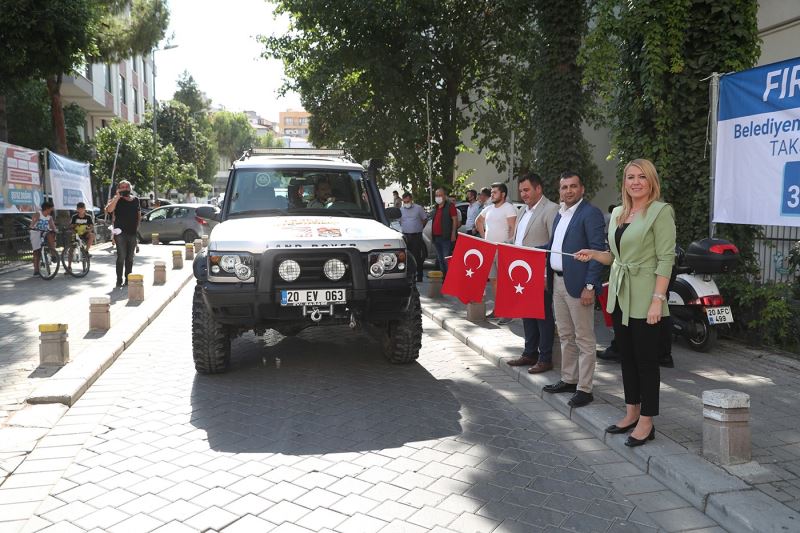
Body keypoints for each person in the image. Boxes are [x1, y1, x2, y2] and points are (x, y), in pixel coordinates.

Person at [575, 159, 676, 445]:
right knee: (627, 358)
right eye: (630, 177)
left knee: (646, 361)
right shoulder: (619, 212)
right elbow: (617, 257)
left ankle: (647, 421)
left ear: (651, 181)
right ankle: (632, 412)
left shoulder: (660, 212)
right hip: (620, 294)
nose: (635, 182)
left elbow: (666, 259)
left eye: (641, 177)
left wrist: (658, 300)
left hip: (646, 296)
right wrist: (595, 254)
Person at [543, 171, 606, 408]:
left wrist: (590, 286)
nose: (568, 191)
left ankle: (585, 388)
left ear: (582, 189)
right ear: (559, 190)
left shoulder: (590, 214)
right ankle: (569, 379)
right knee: (566, 335)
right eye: (564, 187)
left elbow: (597, 251)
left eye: (573, 186)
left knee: (584, 339)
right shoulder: (560, 214)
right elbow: (554, 247)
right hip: (558, 282)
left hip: (579, 286)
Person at [505, 173, 559, 369]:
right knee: (527, 313)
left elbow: (555, 243)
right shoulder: (522, 211)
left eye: (526, 190)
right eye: (521, 191)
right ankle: (529, 353)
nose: (523, 194)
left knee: (542, 315)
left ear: (539, 189)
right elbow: (517, 240)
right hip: (522, 272)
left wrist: (546, 274)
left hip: (540, 272)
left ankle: (545, 358)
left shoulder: (551, 209)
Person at [475, 182, 518, 321]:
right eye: (491, 192)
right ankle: (498, 309)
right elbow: (478, 222)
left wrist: (508, 245)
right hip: (490, 249)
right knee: (494, 281)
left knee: (505, 281)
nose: (492, 194)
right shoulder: (488, 208)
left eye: (495, 192)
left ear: (503, 194)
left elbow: (513, 228)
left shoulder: (509, 208)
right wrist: (484, 237)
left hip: (503, 250)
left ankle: (509, 312)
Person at [105, 180, 141, 288]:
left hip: (132, 232)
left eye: (126, 187)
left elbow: (138, 215)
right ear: (119, 188)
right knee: (121, 256)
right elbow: (109, 210)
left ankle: (128, 279)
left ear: (130, 189)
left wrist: (137, 230)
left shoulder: (136, 200)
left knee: (130, 258)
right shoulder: (116, 199)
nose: (124, 188)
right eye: (122, 187)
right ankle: (119, 280)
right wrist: (117, 196)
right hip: (120, 233)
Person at [399, 192, 427, 282]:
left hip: (416, 235)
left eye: (407, 201)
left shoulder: (418, 208)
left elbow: (424, 219)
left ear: (411, 199)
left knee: (417, 256)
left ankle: (419, 276)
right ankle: (410, 276)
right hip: (406, 236)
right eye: (405, 202)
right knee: (407, 257)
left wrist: (418, 228)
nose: (406, 203)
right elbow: (400, 221)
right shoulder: (401, 209)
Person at [430, 187, 459, 276]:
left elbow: (455, 220)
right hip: (436, 237)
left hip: (446, 237)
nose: (438, 197)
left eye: (440, 195)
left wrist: (453, 233)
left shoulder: (450, 206)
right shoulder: (436, 207)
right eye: (436, 195)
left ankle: (449, 279)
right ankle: (444, 278)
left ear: (444, 196)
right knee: (440, 259)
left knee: (446, 259)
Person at [29, 201, 57, 277]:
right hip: (36, 232)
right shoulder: (38, 214)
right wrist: (32, 226)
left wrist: (55, 230)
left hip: (44, 232)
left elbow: (52, 226)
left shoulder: (49, 217)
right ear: (47, 209)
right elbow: (32, 223)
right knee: (36, 252)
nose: (52, 210)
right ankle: (36, 270)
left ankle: (53, 254)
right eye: (51, 209)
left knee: (51, 234)